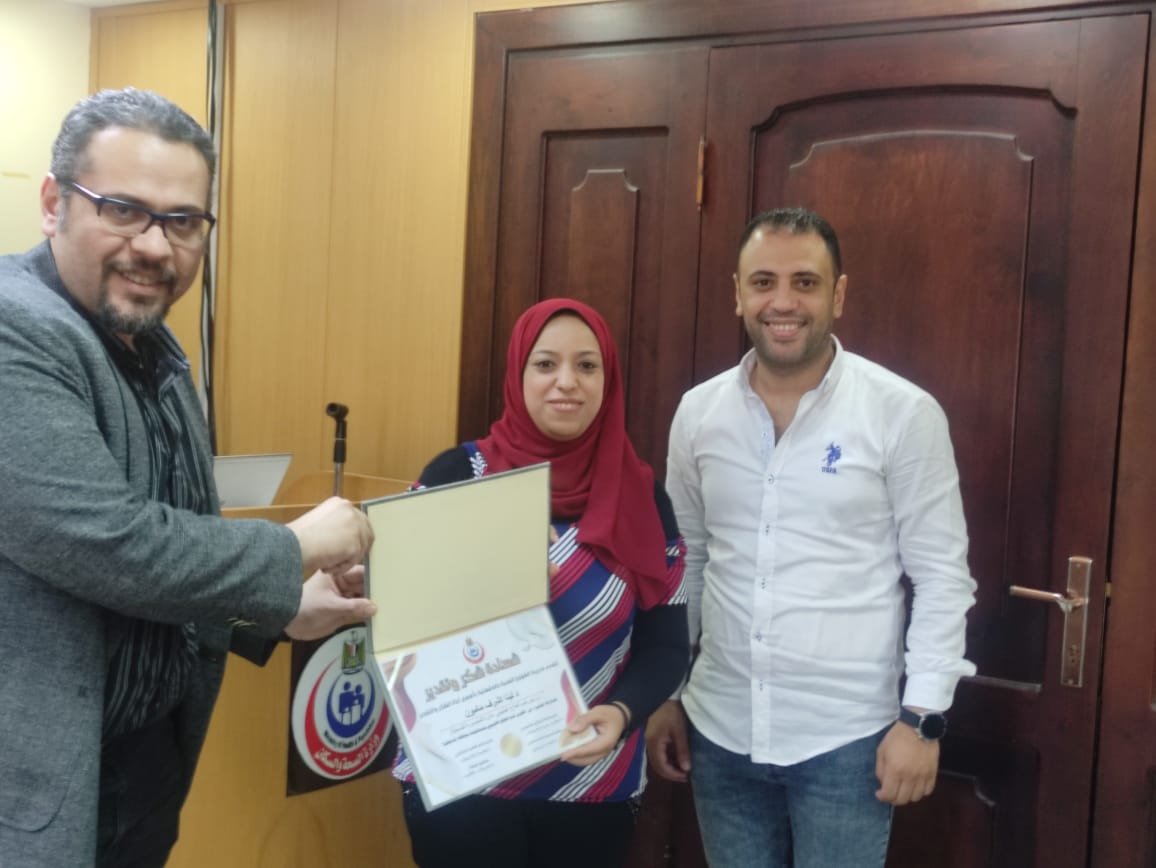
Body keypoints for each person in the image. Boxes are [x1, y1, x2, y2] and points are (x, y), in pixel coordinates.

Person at [0, 88, 378, 868]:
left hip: (143, 769)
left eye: (182, 222)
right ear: (53, 203)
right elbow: (110, 546)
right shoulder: (17, 330)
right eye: (123, 210)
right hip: (33, 785)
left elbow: (164, 563)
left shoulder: (153, 347)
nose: (155, 246)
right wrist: (295, 549)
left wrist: (277, 614)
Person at [645, 207, 977, 868]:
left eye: (805, 282)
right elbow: (687, 561)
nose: (783, 302)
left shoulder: (902, 413)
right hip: (720, 731)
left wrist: (922, 719)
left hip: (847, 744)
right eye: (763, 282)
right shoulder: (699, 413)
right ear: (737, 293)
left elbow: (942, 576)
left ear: (838, 294)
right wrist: (667, 693)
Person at [396, 298, 689, 868]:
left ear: (608, 379)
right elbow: (396, 618)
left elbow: (666, 646)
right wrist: (491, 576)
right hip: (463, 779)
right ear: (518, 373)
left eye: (587, 366)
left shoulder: (643, 496)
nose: (567, 382)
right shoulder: (458, 476)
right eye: (546, 364)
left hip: (590, 783)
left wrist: (624, 713)